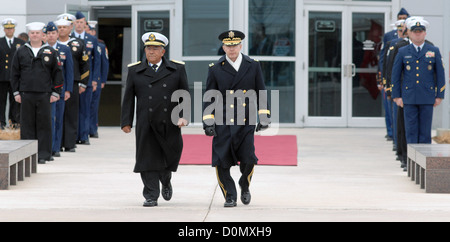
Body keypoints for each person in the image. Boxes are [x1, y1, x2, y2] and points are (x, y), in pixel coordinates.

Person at [202, 30, 270, 207]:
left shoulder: (253, 65)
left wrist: (264, 116)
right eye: (228, 45)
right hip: (223, 120)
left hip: (245, 120)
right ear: (223, 47)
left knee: (248, 159)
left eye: (234, 45)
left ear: (241, 46)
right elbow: (210, 96)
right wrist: (208, 121)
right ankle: (229, 196)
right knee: (221, 161)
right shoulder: (215, 68)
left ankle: (244, 184)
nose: (231, 49)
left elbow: (261, 91)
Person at [121, 32, 189, 207]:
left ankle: (166, 179)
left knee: (170, 156)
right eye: (148, 48)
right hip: (146, 122)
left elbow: (184, 95)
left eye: (155, 48)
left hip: (170, 121)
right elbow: (129, 97)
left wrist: (184, 116)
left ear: (163, 51)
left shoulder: (177, 69)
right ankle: (151, 194)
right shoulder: (135, 70)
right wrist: (126, 121)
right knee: (147, 159)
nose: (151, 52)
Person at [10, 22, 63, 164]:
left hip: (44, 94)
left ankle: (44, 154)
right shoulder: (21, 51)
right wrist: (16, 92)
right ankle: (27, 156)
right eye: (32, 33)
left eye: (37, 33)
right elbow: (14, 73)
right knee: (27, 125)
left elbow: (57, 74)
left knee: (44, 125)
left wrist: (55, 92)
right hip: (26, 94)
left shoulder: (51, 52)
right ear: (29, 35)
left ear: (42, 35)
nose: (35, 35)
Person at [391, 17, 445, 147]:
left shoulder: (433, 50)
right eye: (415, 31)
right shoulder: (403, 51)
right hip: (409, 98)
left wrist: (439, 95)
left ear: (425, 33)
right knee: (411, 132)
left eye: (421, 31)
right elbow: (396, 75)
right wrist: (396, 96)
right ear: (409, 32)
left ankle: (424, 164)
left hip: (427, 97)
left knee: (425, 133)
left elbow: (440, 75)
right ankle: (412, 164)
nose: (418, 33)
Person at [56, 13, 89, 153]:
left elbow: (85, 65)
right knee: (57, 115)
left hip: (73, 83)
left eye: (65, 27)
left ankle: (69, 143)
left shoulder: (78, 44)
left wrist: (83, 83)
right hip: (56, 84)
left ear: (70, 28)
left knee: (71, 114)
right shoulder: (52, 45)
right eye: (60, 27)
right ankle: (57, 143)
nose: (62, 30)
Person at [378, 8, 410, 143]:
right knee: (389, 107)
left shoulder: (411, 36)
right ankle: (391, 133)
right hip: (391, 78)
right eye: (400, 17)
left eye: (404, 18)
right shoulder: (389, 36)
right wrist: (382, 79)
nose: (402, 20)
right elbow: (384, 59)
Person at [45, 21, 74, 158]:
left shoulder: (65, 49)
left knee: (58, 119)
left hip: (60, 90)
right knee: (46, 119)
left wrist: (68, 89)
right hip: (45, 90)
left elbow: (69, 71)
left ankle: (56, 147)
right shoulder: (42, 49)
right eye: (48, 33)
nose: (51, 36)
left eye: (53, 33)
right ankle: (46, 147)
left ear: (57, 34)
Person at [72, 11, 101, 145]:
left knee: (85, 109)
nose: (79, 25)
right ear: (73, 24)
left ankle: (84, 136)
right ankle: (73, 136)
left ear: (85, 24)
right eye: (77, 22)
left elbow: (96, 61)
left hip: (87, 81)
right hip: (73, 81)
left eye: (81, 22)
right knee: (72, 110)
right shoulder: (70, 38)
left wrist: (95, 79)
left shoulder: (92, 39)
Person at [0, 18, 25, 129]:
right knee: (1, 101)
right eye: (7, 28)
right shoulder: (0, 42)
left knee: (15, 101)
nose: (9, 30)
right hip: (2, 76)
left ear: (14, 29)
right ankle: (1, 122)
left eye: (11, 28)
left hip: (15, 77)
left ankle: (14, 122)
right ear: (4, 29)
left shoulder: (20, 43)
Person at [87, 20, 109, 138]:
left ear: (93, 32)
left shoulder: (100, 45)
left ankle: (93, 128)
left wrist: (103, 80)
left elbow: (104, 64)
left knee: (93, 106)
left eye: (90, 30)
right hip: (85, 80)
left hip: (96, 79)